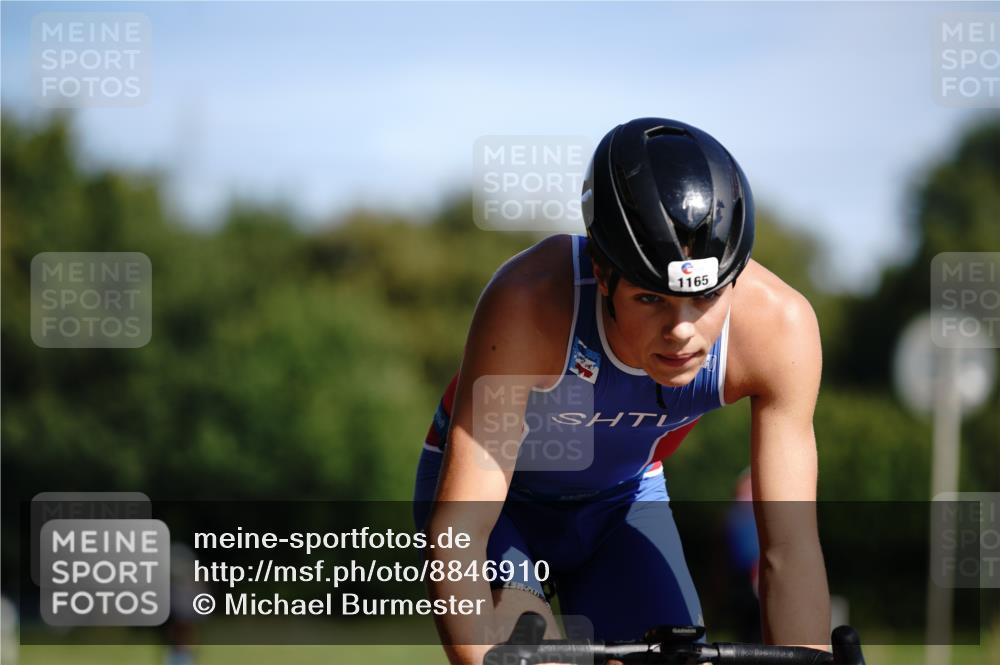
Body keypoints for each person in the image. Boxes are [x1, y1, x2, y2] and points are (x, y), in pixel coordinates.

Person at [413, 117, 831, 665]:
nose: (681, 330)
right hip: (502, 504)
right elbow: (463, 528)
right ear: (603, 273)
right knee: (522, 640)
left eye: (704, 298)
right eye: (650, 299)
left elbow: (789, 550)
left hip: (624, 498)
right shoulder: (531, 303)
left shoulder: (780, 328)